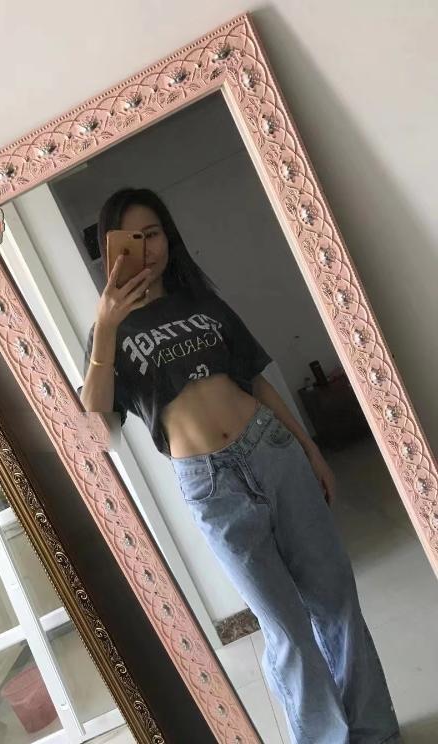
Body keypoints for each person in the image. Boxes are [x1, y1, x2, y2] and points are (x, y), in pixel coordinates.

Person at [79, 187, 401, 744]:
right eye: (133, 238)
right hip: (210, 485)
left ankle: (375, 734)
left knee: (336, 601)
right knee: (286, 631)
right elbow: (96, 425)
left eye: (154, 233)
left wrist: (310, 449)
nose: (147, 248)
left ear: (169, 238)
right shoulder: (110, 331)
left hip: (270, 449)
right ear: (112, 249)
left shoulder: (203, 304)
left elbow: (255, 381)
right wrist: (105, 328)